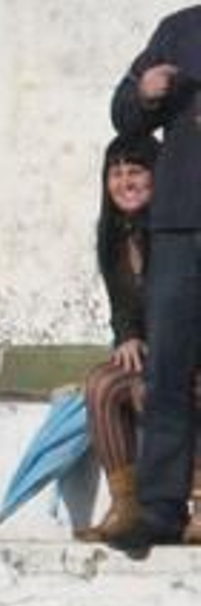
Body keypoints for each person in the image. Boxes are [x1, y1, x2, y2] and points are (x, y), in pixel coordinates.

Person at [109, 9, 201, 558]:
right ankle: (161, 509)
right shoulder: (179, 29)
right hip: (178, 221)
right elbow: (124, 115)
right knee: (168, 369)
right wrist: (145, 93)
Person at [74, 135, 177, 543]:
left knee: (160, 390)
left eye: (136, 171)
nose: (124, 182)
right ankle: (126, 505)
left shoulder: (179, 237)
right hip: (153, 357)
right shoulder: (113, 236)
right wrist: (128, 336)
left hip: (187, 354)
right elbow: (122, 305)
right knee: (102, 384)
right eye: (115, 174)